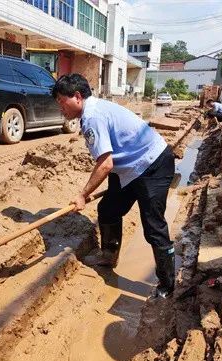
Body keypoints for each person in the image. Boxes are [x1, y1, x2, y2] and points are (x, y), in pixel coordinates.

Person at [52, 73, 176, 299]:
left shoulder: (92, 117)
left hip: (152, 164)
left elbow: (105, 163)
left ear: (77, 97)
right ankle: (109, 256)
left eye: (62, 101)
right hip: (128, 166)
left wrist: (82, 195)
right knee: (108, 209)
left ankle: (167, 285)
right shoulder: (94, 109)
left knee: (153, 227)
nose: (61, 107)